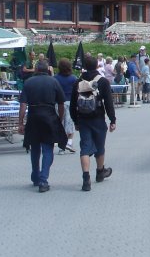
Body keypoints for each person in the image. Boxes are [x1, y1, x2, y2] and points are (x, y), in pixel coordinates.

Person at [17, 59, 67, 193]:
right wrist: (59, 119)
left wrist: (20, 123)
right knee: (47, 149)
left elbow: (23, 105)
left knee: (35, 148)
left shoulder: (28, 82)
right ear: (48, 70)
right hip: (49, 116)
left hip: (33, 116)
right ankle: (43, 180)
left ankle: (35, 175)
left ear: (37, 70)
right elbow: (61, 104)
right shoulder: (54, 81)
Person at [70, 54, 116, 192]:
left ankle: (86, 178)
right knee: (100, 146)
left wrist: (75, 121)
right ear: (97, 65)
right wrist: (113, 120)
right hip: (98, 118)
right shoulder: (102, 81)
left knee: (85, 149)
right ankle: (100, 172)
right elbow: (108, 103)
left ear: (84, 67)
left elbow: (73, 105)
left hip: (83, 120)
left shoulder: (78, 82)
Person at [53, 58, 77, 153]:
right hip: (70, 102)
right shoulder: (73, 78)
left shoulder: (55, 78)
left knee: (60, 124)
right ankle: (69, 142)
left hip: (58, 103)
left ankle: (61, 146)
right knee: (70, 124)